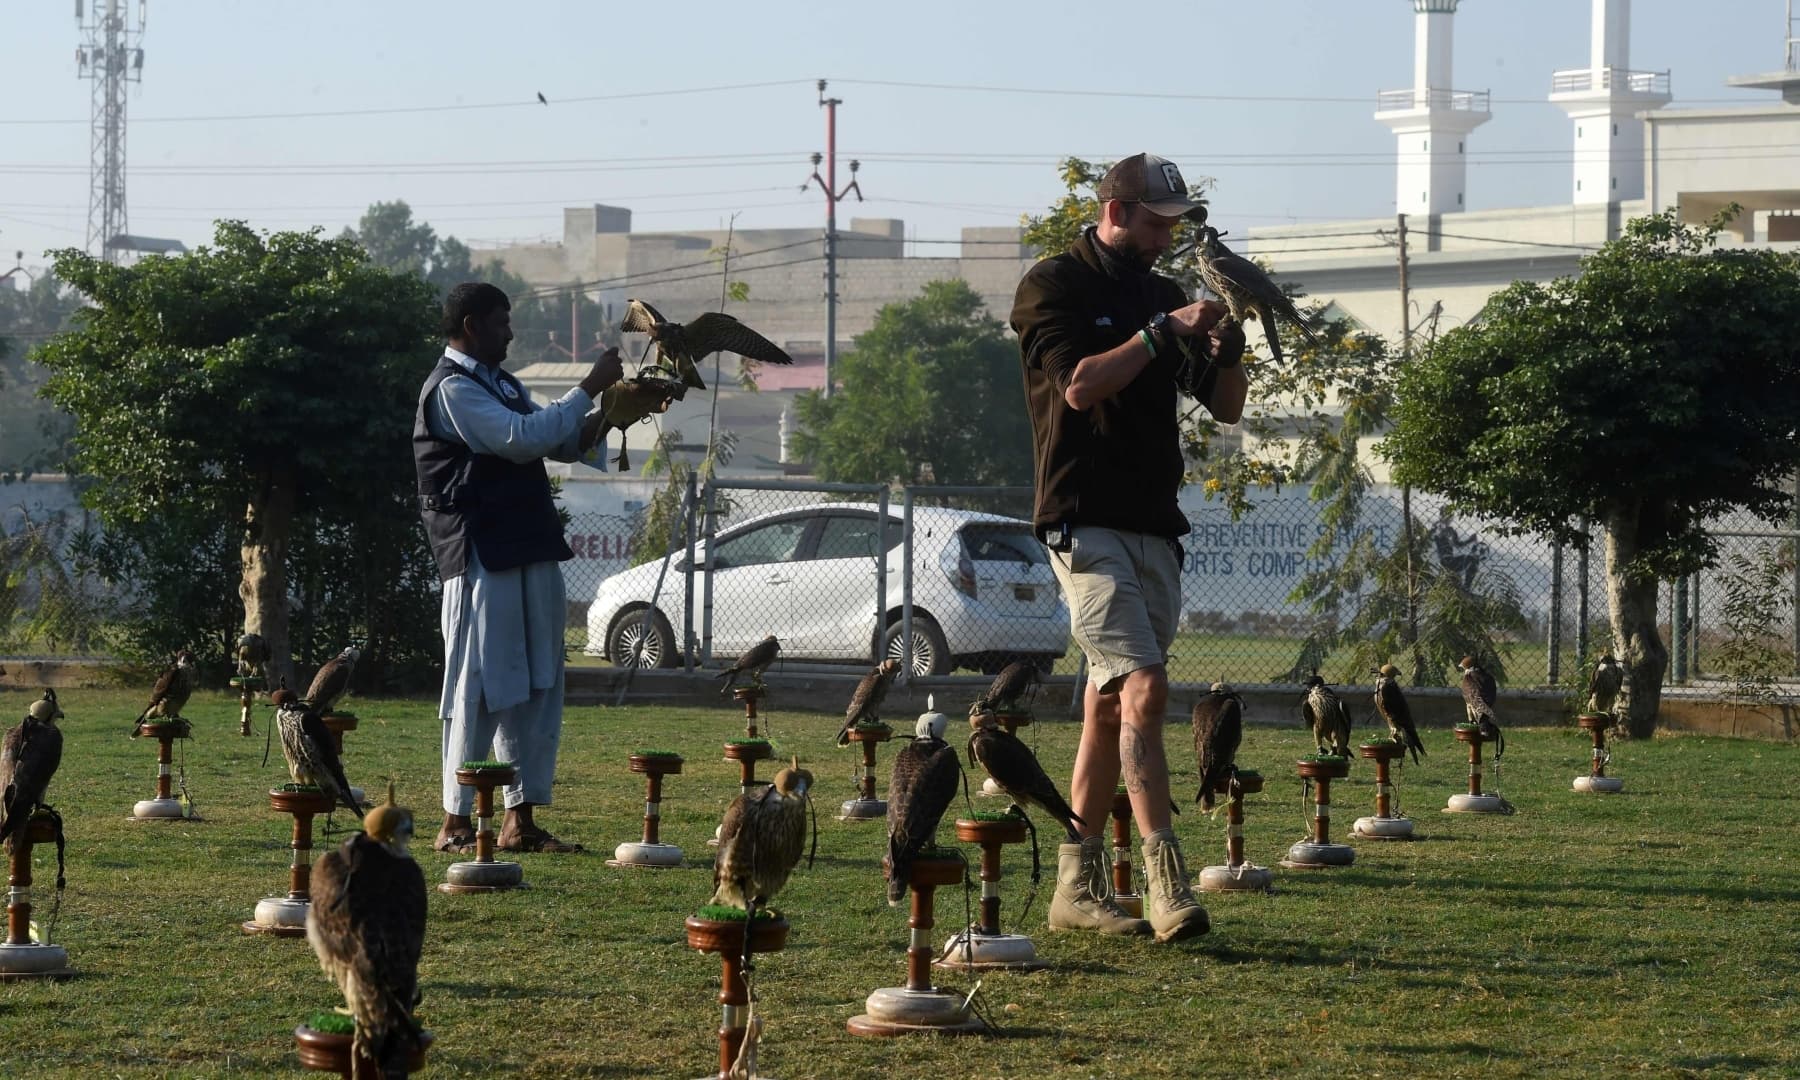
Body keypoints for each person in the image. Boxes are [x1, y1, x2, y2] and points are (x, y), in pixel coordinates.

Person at [1010, 153, 1250, 943]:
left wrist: (1231, 344)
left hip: (1154, 522)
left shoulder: (1165, 294)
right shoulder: (1054, 284)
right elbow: (1079, 385)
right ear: (1115, 210)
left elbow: (1222, 408)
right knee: (1145, 687)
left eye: (1174, 224)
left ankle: (1074, 888)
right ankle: (1165, 884)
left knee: (1108, 702)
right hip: (1084, 519)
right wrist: (1159, 332)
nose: (1166, 238)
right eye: (1156, 223)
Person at [414, 282, 623, 854]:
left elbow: (559, 441)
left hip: (528, 546)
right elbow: (521, 438)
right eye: (502, 323)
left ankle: (519, 820)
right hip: (481, 557)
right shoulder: (451, 390)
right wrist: (588, 386)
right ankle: (456, 821)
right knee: (478, 686)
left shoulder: (501, 384)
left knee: (537, 683)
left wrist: (616, 411)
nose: (510, 332)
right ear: (471, 325)